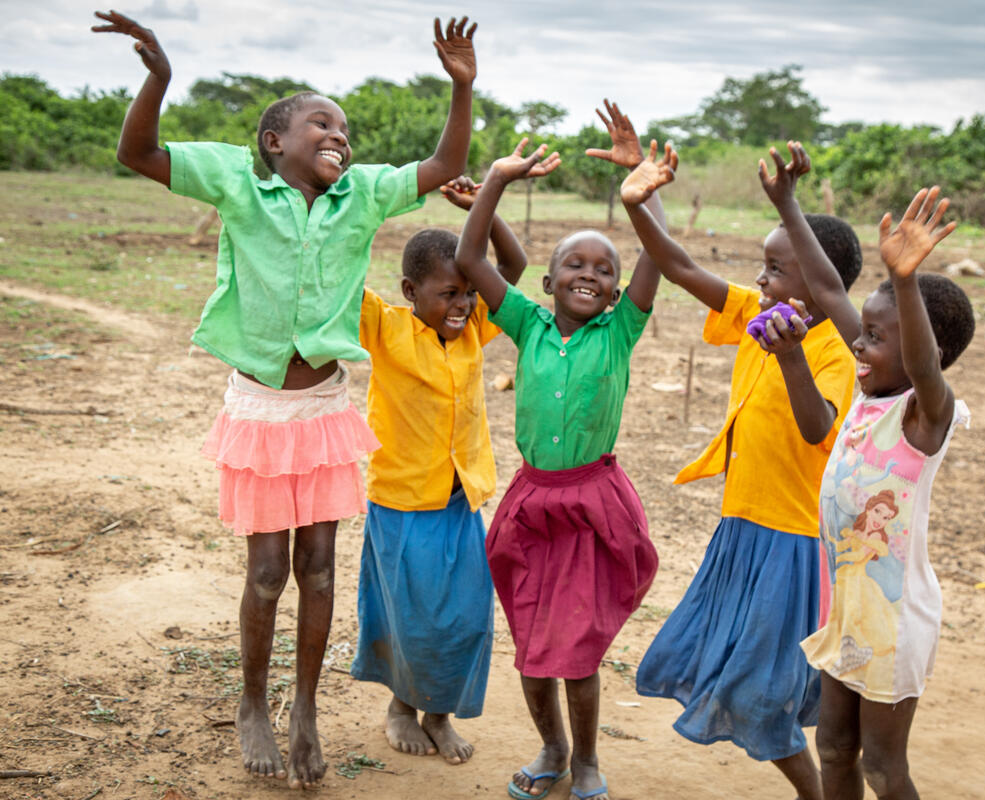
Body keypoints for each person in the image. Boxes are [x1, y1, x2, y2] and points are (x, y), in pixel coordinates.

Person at [91, 9, 478, 789]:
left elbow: (442, 163)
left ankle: (304, 707)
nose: (338, 134)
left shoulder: (363, 195)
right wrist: (159, 79)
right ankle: (253, 703)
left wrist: (462, 89)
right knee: (267, 572)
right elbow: (136, 152)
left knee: (321, 569)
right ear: (275, 143)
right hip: (262, 411)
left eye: (344, 128)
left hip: (325, 409)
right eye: (319, 124)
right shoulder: (239, 180)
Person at [622, 141, 862, 800]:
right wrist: (639, 193)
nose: (761, 281)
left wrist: (790, 358)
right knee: (729, 674)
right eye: (762, 267)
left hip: (792, 544)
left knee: (763, 690)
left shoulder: (837, 351)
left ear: (821, 282)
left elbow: (818, 428)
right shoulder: (757, 317)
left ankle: (821, 790)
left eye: (776, 269)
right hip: (741, 531)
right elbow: (675, 263)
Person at [454, 103, 671, 800]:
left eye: (603, 269)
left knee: (576, 653)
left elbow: (659, 256)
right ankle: (549, 747)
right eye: (572, 265)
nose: (590, 274)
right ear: (545, 284)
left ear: (615, 291)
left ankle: (586, 761)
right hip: (532, 504)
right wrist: (493, 182)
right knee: (531, 641)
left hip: (592, 503)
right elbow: (467, 259)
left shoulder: (619, 331)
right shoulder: (525, 323)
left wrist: (642, 181)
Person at [764, 143, 975, 800]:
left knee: (884, 767)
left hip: (895, 619)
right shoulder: (868, 390)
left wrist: (906, 282)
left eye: (877, 337)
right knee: (833, 747)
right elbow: (827, 288)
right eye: (864, 330)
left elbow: (921, 361)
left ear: (917, 350)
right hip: (848, 603)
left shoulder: (924, 416)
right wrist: (787, 204)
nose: (859, 342)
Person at [351, 180, 527, 766]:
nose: (462, 305)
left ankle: (440, 713)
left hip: (460, 500)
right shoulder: (385, 327)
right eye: (448, 293)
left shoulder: (475, 328)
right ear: (409, 291)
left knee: (467, 617)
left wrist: (484, 209)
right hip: (401, 503)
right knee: (412, 615)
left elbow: (515, 265)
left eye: (469, 294)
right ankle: (403, 705)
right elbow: (336, 281)